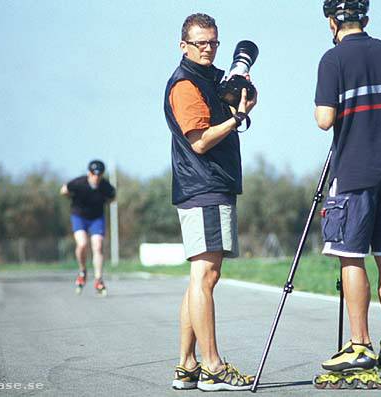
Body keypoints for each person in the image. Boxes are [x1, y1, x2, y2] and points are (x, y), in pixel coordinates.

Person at [314, 0, 381, 380]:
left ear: (331, 22)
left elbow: (325, 120)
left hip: (355, 171)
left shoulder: (333, 59)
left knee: (349, 255)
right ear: (366, 18)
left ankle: (359, 345)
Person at [164, 13, 257, 392]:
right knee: (205, 277)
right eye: (201, 43)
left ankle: (186, 364)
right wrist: (237, 118)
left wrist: (242, 89)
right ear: (184, 45)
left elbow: (244, 98)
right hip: (203, 186)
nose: (208, 49)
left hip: (209, 185)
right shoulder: (185, 85)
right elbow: (200, 140)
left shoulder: (211, 77)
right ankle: (213, 366)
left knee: (200, 278)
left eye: (213, 42)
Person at [60, 160, 116, 296]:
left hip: (96, 218)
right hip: (79, 216)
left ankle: (98, 279)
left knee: (98, 245)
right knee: (83, 243)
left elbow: (113, 197)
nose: (95, 177)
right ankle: (82, 270)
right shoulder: (79, 183)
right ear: (88, 173)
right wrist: (72, 198)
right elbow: (63, 190)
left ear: (102, 175)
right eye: (93, 174)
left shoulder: (105, 186)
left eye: (99, 175)